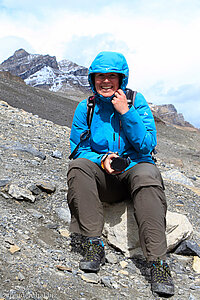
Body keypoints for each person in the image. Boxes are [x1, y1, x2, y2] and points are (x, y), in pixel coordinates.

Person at [67, 51, 174, 297]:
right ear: (92, 79)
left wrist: (126, 112)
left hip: (134, 171)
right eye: (100, 76)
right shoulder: (87, 107)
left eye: (111, 76)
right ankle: (93, 243)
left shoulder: (137, 102)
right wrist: (101, 159)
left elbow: (147, 145)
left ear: (121, 79)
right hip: (105, 178)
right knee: (78, 167)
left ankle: (157, 262)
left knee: (148, 173)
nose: (105, 81)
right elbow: (78, 149)